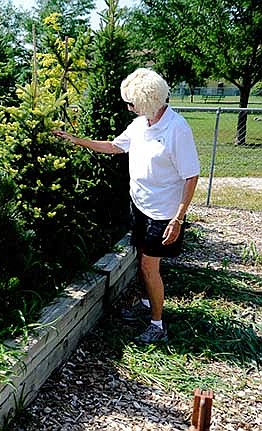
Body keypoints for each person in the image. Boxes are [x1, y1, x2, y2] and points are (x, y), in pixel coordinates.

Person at [53, 68, 199, 344]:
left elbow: (191, 175)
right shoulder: (140, 124)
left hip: (163, 213)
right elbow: (114, 146)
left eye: (131, 103)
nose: (128, 107)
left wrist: (178, 218)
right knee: (144, 259)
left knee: (147, 266)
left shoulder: (176, 129)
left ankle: (158, 325)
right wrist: (77, 141)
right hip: (141, 206)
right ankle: (146, 305)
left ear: (146, 101)